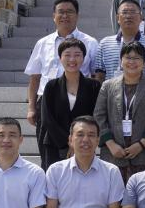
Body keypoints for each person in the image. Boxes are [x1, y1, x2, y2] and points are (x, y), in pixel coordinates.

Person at [92, 42, 145, 183]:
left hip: (144, 154)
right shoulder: (108, 86)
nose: (132, 62)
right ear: (121, 61)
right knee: (113, 193)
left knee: (142, 192)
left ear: (144, 63)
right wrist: (110, 143)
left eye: (137, 58)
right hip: (113, 153)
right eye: (128, 57)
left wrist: (142, 144)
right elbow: (98, 116)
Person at [24, 0, 98, 129]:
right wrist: (31, 108)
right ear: (54, 16)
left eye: (69, 12)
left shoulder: (90, 42)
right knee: (47, 140)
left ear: (77, 16)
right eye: (61, 12)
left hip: (80, 100)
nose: (65, 15)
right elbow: (35, 77)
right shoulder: (42, 43)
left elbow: (96, 76)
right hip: (47, 101)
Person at [36, 37, 101, 170]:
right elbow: (47, 119)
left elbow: (95, 116)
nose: (72, 59)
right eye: (67, 55)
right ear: (60, 58)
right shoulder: (51, 86)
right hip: (55, 143)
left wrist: (78, 141)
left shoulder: (93, 86)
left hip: (84, 145)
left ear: (83, 58)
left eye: (77, 55)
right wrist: (69, 142)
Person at [94, 0, 145, 81]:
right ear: (118, 18)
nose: (128, 16)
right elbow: (99, 76)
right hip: (112, 89)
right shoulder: (105, 44)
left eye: (133, 12)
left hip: (143, 89)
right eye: (124, 12)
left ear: (141, 18)